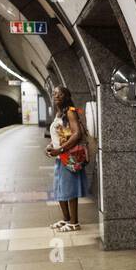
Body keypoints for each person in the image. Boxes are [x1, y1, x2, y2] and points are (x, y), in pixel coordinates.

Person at [46, 86, 86, 231]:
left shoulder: (70, 112)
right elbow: (60, 134)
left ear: (66, 96)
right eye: (54, 93)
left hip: (69, 156)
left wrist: (60, 149)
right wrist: (51, 146)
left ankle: (74, 222)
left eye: (59, 94)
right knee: (60, 188)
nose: (56, 95)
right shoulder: (58, 114)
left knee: (70, 189)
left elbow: (77, 134)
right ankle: (66, 219)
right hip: (60, 156)